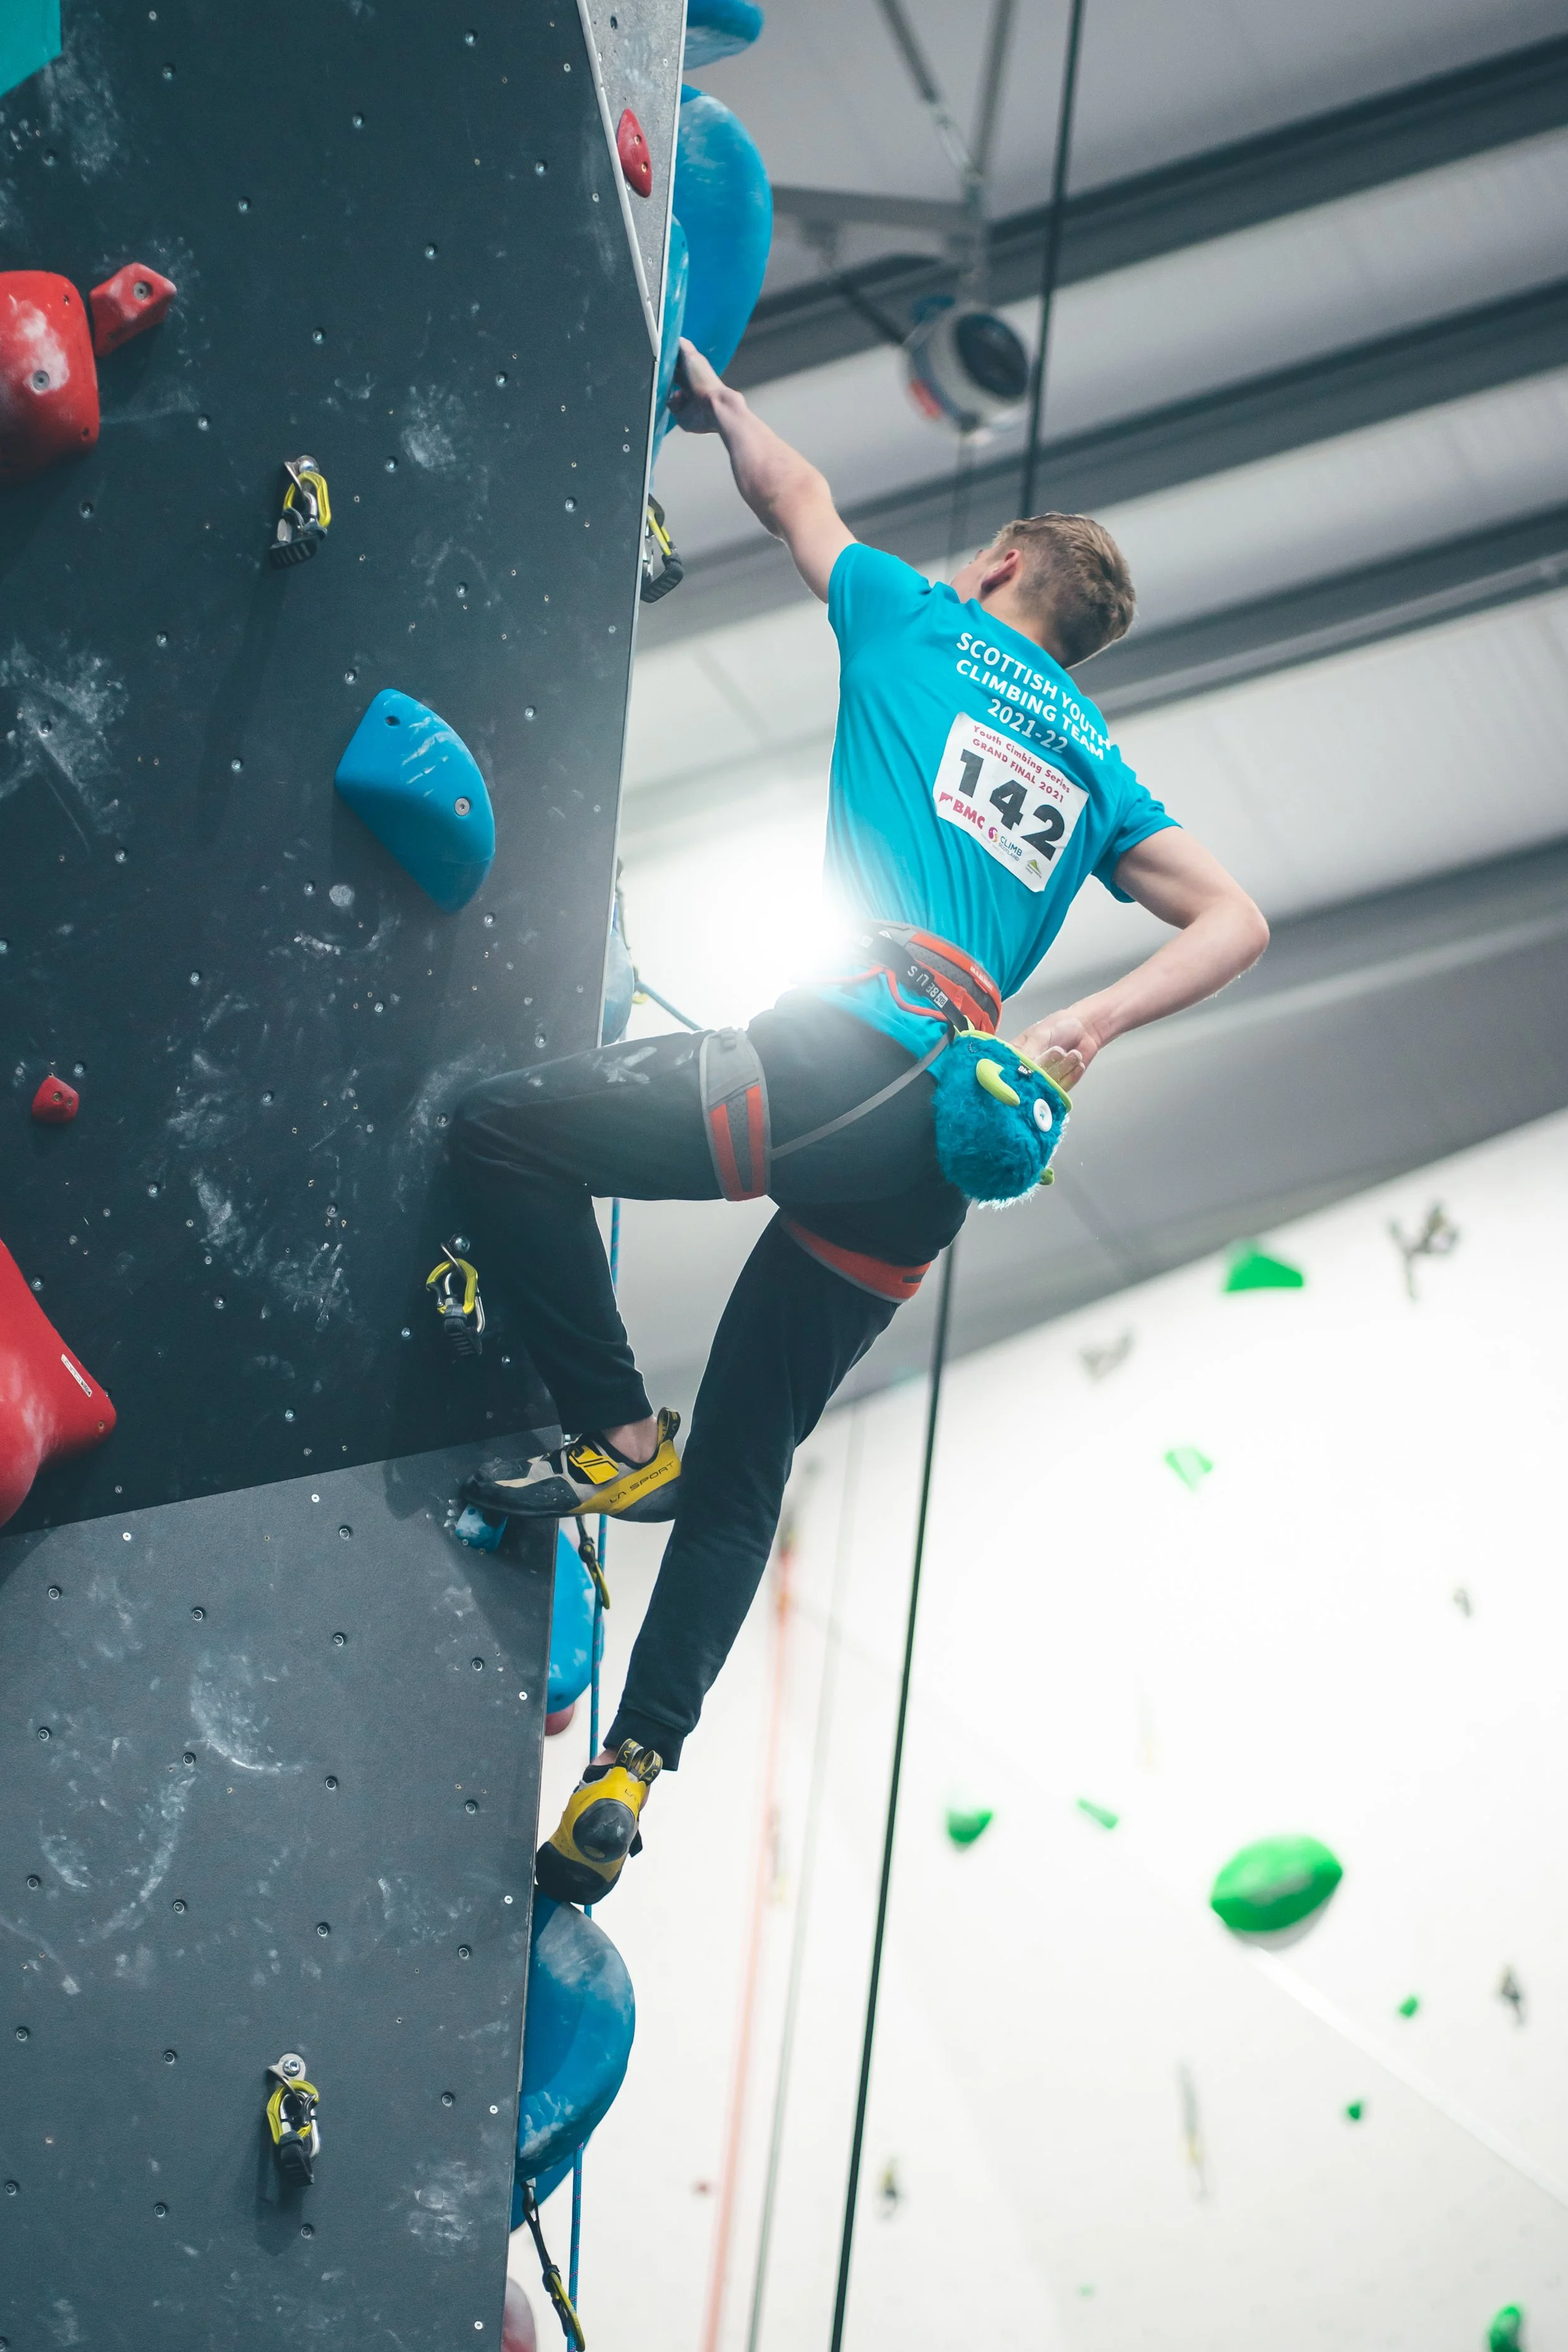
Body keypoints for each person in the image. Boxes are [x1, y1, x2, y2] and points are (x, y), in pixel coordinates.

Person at [452, 339, 1269, 1905]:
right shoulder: (1097, 767)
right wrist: (1077, 1030)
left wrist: (719, 405)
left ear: (1005, 562)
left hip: (832, 1062)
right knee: (747, 1460)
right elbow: (1235, 916)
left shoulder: (922, 616)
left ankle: (619, 1441)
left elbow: (796, 497)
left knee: (499, 1133)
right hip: (949, 1140)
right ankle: (631, 1764)